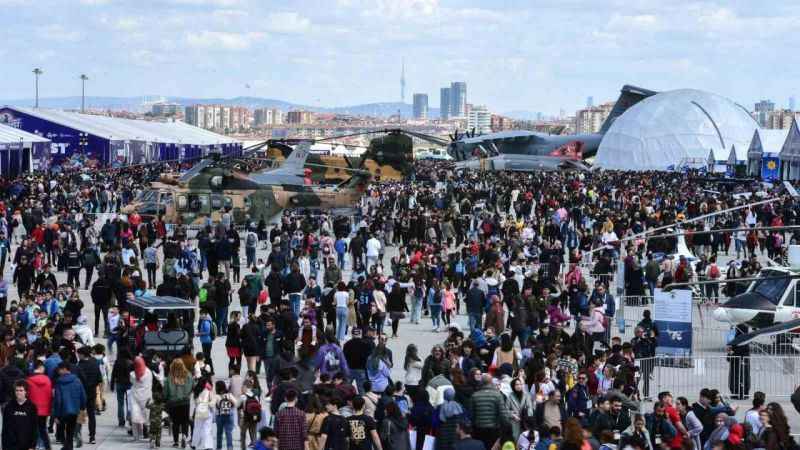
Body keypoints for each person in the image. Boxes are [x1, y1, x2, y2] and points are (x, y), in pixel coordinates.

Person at [468, 374, 510, 449]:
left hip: (479, 429)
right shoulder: (497, 395)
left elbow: (471, 415)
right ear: (491, 382)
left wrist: (472, 427)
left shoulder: (475, 396)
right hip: (493, 430)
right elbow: (503, 414)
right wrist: (507, 427)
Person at [53, 363, 87, 450]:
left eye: (59, 369)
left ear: (64, 369)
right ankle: (69, 446)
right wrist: (82, 407)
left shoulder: (59, 382)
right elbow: (83, 395)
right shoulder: (77, 380)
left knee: (61, 429)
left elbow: (58, 399)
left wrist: (56, 414)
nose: (58, 371)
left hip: (62, 411)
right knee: (70, 430)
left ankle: (66, 446)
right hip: (75, 410)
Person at [2, 380, 39, 450]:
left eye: (21, 390)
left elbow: (34, 427)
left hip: (26, 444)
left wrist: (32, 446)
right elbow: (5, 428)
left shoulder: (32, 407)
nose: (18, 393)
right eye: (17, 390)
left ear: (26, 392)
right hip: (11, 445)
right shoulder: (9, 406)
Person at [165, 359, 193, 448]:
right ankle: (184, 436)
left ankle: (176, 441)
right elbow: (192, 386)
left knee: (175, 423)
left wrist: (166, 398)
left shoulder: (170, 376)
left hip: (173, 403)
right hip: (185, 402)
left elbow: (166, 391)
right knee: (185, 421)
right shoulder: (188, 375)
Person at [191, 375, 217, 450]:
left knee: (197, 428)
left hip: (198, 411)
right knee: (207, 429)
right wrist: (210, 405)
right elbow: (213, 402)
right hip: (207, 411)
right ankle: (208, 445)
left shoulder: (196, 392)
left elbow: (194, 403)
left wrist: (190, 414)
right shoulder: (208, 391)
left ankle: (194, 444)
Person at [215, 380, 237, 450]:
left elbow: (215, 406)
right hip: (229, 415)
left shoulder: (217, 396)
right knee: (228, 433)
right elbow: (236, 404)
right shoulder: (229, 395)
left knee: (219, 433)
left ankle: (219, 447)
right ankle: (230, 447)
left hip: (219, 416)